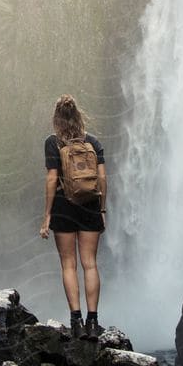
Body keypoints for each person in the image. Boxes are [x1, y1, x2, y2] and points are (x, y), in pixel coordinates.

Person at [38, 94, 107, 338]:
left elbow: (51, 178)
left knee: (69, 264)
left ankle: (75, 321)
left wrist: (47, 215)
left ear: (57, 119)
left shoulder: (52, 143)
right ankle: (93, 321)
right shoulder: (94, 142)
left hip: (63, 206)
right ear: (79, 116)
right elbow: (102, 178)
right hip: (89, 205)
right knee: (90, 263)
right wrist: (102, 209)